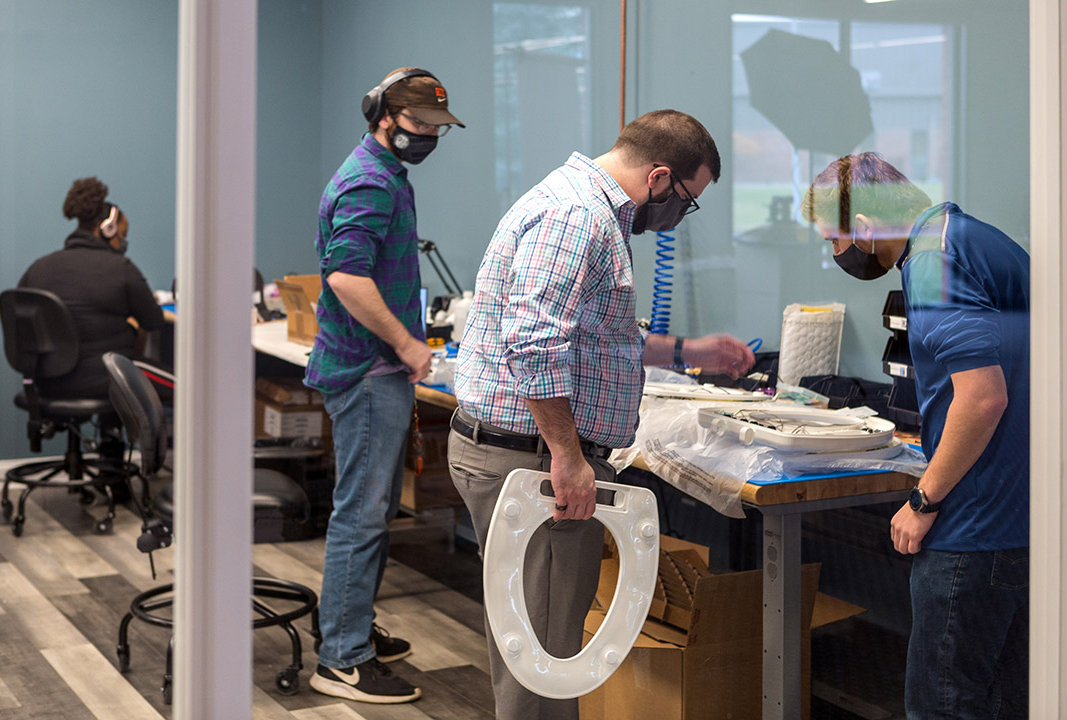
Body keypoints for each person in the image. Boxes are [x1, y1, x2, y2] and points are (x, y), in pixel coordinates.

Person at [450, 109, 755, 720]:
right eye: (687, 201)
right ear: (661, 178)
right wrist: (566, 455)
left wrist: (689, 351)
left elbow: (593, 334)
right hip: (534, 459)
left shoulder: (582, 207)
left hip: (530, 450)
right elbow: (535, 342)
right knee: (541, 663)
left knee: (551, 646)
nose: (676, 218)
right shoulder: (578, 218)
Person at [802, 152, 1029, 719]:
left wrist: (923, 498)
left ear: (868, 227)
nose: (836, 254)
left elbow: (982, 397)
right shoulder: (969, 238)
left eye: (835, 239)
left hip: (974, 523)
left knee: (942, 704)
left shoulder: (934, 261)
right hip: (1017, 514)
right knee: (1000, 700)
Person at [303, 66, 464, 704]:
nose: (428, 135)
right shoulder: (370, 182)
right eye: (420, 124)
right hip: (371, 370)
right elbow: (345, 277)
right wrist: (406, 344)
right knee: (364, 515)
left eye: (436, 128)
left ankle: (352, 626)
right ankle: (342, 658)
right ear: (384, 117)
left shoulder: (382, 173)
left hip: (369, 367)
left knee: (367, 511)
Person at [19, 177, 167, 463]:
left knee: (113, 368)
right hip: (104, 383)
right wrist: (132, 325)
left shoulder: (38, 268)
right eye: (120, 236)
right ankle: (130, 471)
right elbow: (154, 321)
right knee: (183, 386)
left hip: (45, 384)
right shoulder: (121, 268)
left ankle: (110, 466)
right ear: (107, 229)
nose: (122, 243)